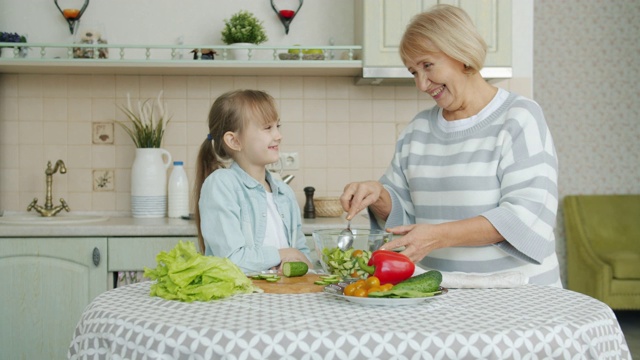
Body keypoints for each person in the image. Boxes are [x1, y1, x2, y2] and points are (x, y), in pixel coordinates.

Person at [340, 5, 561, 287]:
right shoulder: (417, 129)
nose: (421, 83)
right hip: (440, 293)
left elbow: (523, 217)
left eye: (427, 65)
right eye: (413, 72)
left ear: (461, 54)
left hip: (517, 295)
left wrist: (439, 235)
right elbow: (402, 217)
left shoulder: (519, 118)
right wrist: (378, 194)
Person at [194, 89, 312, 274]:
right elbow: (231, 260)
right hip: (238, 299)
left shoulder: (284, 193)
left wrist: (298, 261)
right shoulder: (221, 184)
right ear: (234, 141)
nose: (278, 135)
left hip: (283, 296)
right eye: (267, 128)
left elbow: (303, 255)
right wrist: (285, 253)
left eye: (277, 126)